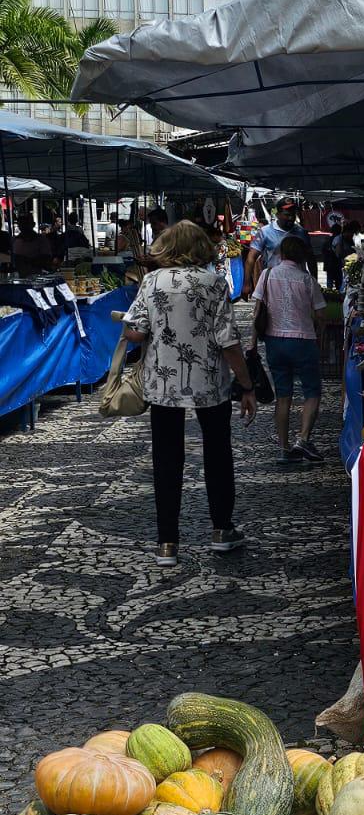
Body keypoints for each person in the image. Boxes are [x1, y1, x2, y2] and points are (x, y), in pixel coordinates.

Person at [122, 219, 256, 566]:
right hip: (210, 382)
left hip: (164, 385)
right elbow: (228, 340)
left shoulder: (152, 281)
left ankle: (167, 542)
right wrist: (246, 384)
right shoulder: (214, 283)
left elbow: (135, 332)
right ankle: (222, 530)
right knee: (218, 453)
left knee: (166, 459)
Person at [252, 234, 326, 464]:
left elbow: (257, 312)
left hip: (275, 342)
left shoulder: (267, 275)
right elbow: (321, 314)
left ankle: (284, 448)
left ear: (281, 253)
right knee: (312, 391)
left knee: (283, 396)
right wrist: (318, 332)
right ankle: (303, 439)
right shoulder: (307, 280)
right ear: (302, 256)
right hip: (304, 341)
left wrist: (252, 344)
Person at [245, 199, 317, 290]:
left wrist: (314, 281)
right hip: (273, 284)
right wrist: (246, 283)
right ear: (278, 215)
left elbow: (311, 258)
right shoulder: (265, 232)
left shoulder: (302, 233)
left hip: (298, 284)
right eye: (287, 215)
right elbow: (251, 257)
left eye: (293, 215)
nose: (291, 218)